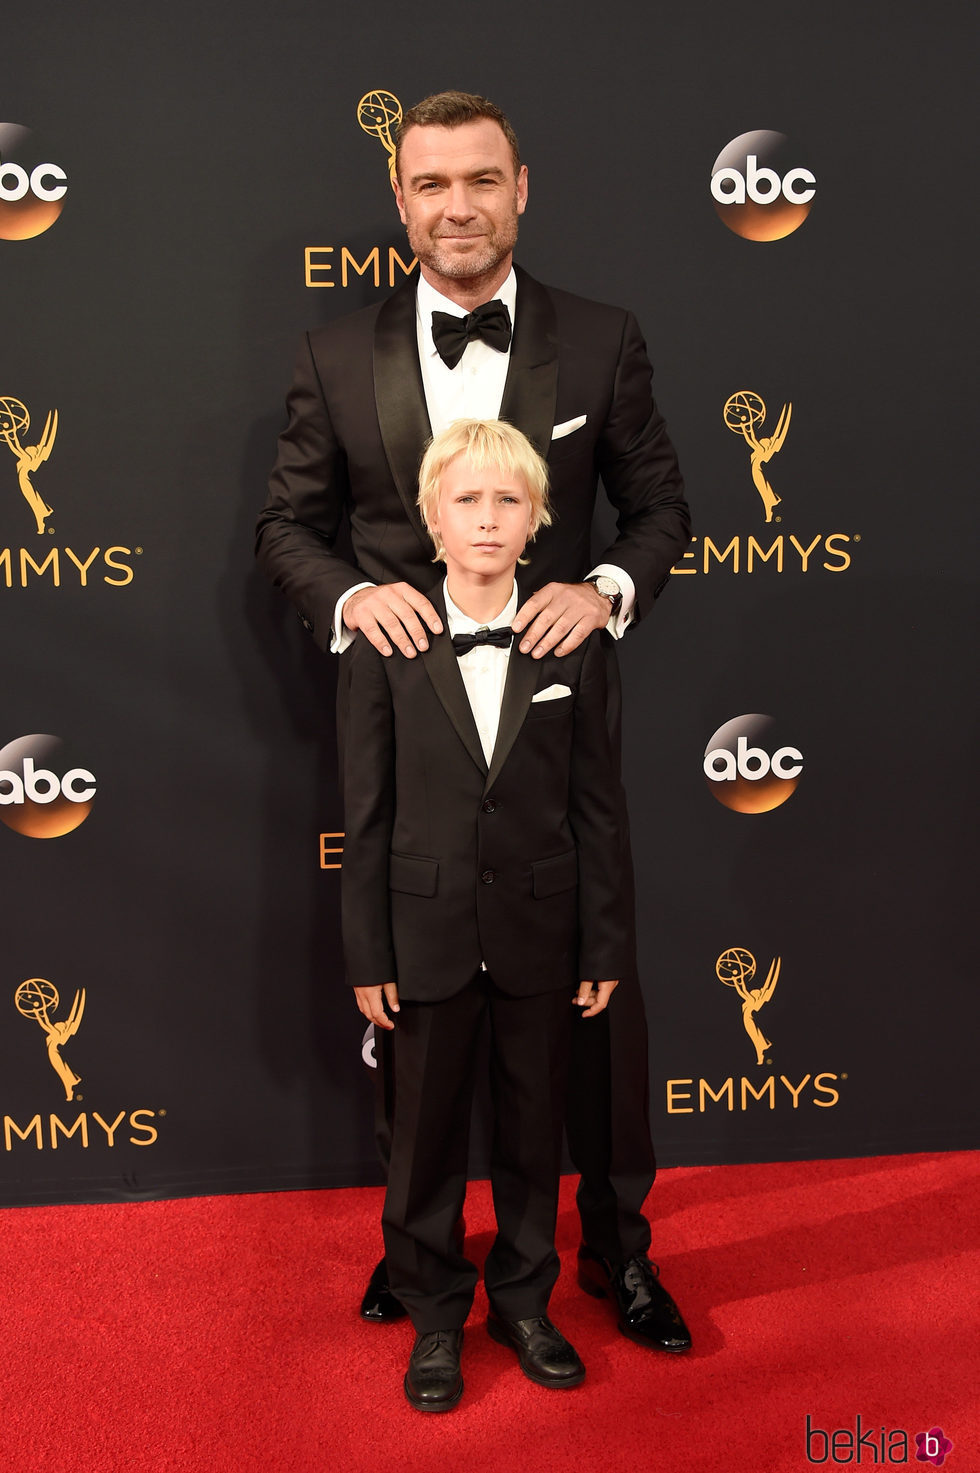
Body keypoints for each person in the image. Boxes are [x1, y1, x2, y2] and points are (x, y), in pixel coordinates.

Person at [256, 89, 693, 1354]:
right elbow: (286, 528)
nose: (458, 207)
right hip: (407, 709)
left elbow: (659, 510)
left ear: (520, 188)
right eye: (431, 184)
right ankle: (423, 1257)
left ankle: (617, 1259)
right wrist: (349, 597)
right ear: (398, 200)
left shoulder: (601, 339)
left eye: (480, 181)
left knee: (590, 1024)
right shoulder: (336, 354)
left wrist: (601, 589)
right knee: (427, 1005)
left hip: (556, 709)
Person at [344, 418, 631, 1410]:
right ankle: (432, 1318)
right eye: (466, 499)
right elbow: (365, 813)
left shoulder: (574, 642)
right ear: (430, 515)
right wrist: (366, 950)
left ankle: (522, 1300)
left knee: (528, 1130)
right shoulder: (386, 640)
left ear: (536, 518)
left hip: (539, 935)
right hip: (422, 936)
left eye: (507, 500)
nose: (486, 518)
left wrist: (601, 940)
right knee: (420, 1140)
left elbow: (597, 807)